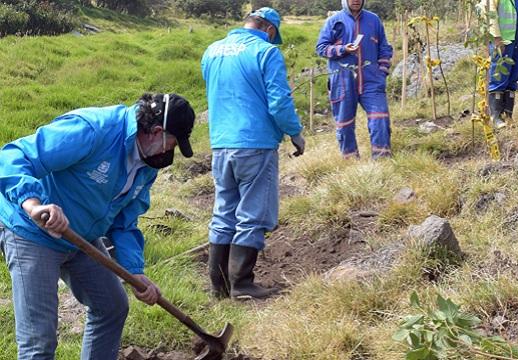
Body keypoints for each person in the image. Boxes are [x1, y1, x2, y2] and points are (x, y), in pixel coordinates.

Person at [0, 93, 195, 360]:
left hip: (81, 237)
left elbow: (125, 222)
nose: (168, 152)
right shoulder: (93, 130)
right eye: (171, 143)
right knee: (39, 342)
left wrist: (134, 271)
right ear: (156, 131)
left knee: (112, 307)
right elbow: (15, 156)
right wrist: (33, 205)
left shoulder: (147, 163)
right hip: (33, 233)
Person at [201, 7, 305, 301]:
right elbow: (279, 102)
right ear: (269, 30)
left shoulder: (212, 51)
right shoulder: (266, 53)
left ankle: (218, 286)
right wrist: (294, 133)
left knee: (223, 211)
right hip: (255, 143)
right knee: (252, 213)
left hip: (221, 143)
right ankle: (242, 284)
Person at [316, 0, 394, 159]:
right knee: (344, 124)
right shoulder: (334, 21)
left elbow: (384, 48)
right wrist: (342, 49)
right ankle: (350, 160)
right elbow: (321, 48)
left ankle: (382, 160)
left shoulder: (374, 20)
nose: (356, 0)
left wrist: (382, 71)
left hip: (372, 80)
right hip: (342, 81)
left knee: (380, 118)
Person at [482, 0, 518, 129]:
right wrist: (496, 39)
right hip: (503, 41)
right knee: (500, 75)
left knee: (514, 75)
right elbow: (490, 14)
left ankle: (508, 116)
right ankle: (496, 117)